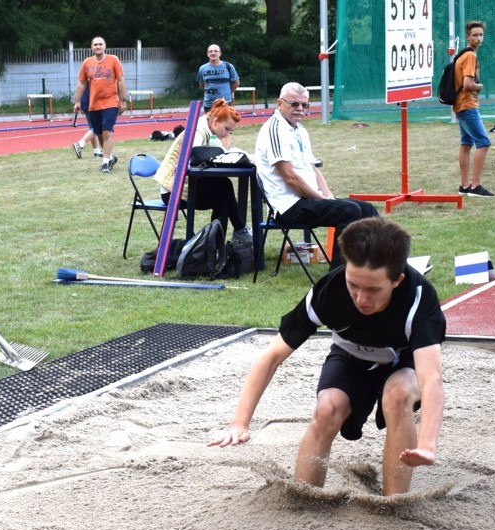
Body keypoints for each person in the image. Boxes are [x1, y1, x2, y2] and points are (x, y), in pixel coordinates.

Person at [209, 218, 447, 496]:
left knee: (397, 396)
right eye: (354, 285)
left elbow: (431, 379)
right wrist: (240, 423)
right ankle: (304, 499)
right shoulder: (330, 290)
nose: (360, 299)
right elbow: (272, 356)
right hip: (350, 356)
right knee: (327, 408)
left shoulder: (419, 299)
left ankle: (394, 503)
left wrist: (427, 446)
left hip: (402, 362)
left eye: (373, 290)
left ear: (397, 280)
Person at [255, 82, 379, 268]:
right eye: (294, 104)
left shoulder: (300, 130)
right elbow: (290, 178)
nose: (300, 109)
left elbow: (313, 169)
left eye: (304, 105)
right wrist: (324, 200)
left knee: (366, 209)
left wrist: (329, 197)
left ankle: (380, 264)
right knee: (349, 210)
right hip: (287, 205)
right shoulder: (274, 129)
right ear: (279, 104)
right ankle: (338, 275)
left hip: (307, 200)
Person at [154, 99, 250, 240]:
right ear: (215, 121)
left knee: (223, 189)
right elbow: (192, 162)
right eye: (227, 129)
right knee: (224, 190)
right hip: (172, 192)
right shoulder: (199, 132)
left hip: (182, 187)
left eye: (231, 131)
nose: (227, 134)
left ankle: (227, 238)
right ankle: (235, 234)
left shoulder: (207, 128)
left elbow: (220, 152)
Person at [73, 36, 127, 173]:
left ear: (105, 46)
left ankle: (105, 163)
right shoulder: (87, 63)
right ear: (92, 47)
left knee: (108, 131)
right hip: (94, 104)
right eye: (95, 44)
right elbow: (81, 83)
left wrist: (122, 100)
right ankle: (110, 157)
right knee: (99, 133)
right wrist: (77, 101)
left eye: (100, 44)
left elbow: (120, 81)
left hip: (110, 101)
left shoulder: (114, 60)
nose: (98, 47)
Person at [454, 21, 494, 197]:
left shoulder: (462, 55)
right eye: (475, 35)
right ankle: (475, 186)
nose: (479, 38)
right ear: (467, 37)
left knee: (466, 144)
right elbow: (468, 84)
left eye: (481, 35)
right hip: (467, 105)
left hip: (459, 105)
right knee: (484, 143)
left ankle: (464, 185)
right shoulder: (470, 56)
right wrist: (480, 86)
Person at [196, 44, 239, 113]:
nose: (213, 53)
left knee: (226, 124)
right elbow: (201, 85)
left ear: (220, 53)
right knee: (211, 124)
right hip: (209, 104)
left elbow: (236, 83)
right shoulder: (202, 68)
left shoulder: (228, 66)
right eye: (210, 51)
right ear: (207, 54)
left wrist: (228, 93)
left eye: (216, 51)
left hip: (225, 103)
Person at [71, 81, 102, 159]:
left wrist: (77, 102)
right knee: (97, 127)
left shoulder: (86, 72)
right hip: (92, 101)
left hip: (86, 101)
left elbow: (80, 86)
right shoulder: (94, 72)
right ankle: (80, 144)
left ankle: (97, 151)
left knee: (92, 127)